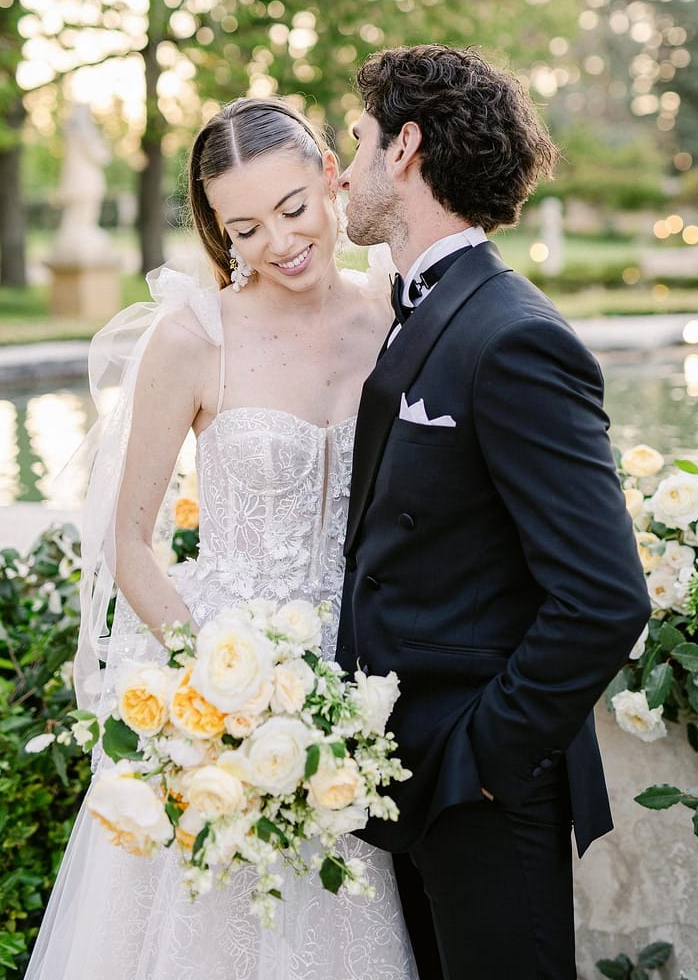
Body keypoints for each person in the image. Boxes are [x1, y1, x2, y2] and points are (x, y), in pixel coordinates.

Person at [25, 98, 418, 980]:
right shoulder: (192, 338)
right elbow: (129, 542)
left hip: (366, 699)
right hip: (228, 699)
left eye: (290, 209)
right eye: (243, 229)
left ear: (330, 175)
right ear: (218, 232)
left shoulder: (397, 315)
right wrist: (220, 689)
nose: (278, 243)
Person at [335, 44, 651, 979]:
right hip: (405, 784)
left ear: (406, 150)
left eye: (358, 144)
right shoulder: (420, 306)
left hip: (481, 792)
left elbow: (604, 597)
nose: (343, 172)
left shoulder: (514, 336)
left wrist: (475, 758)